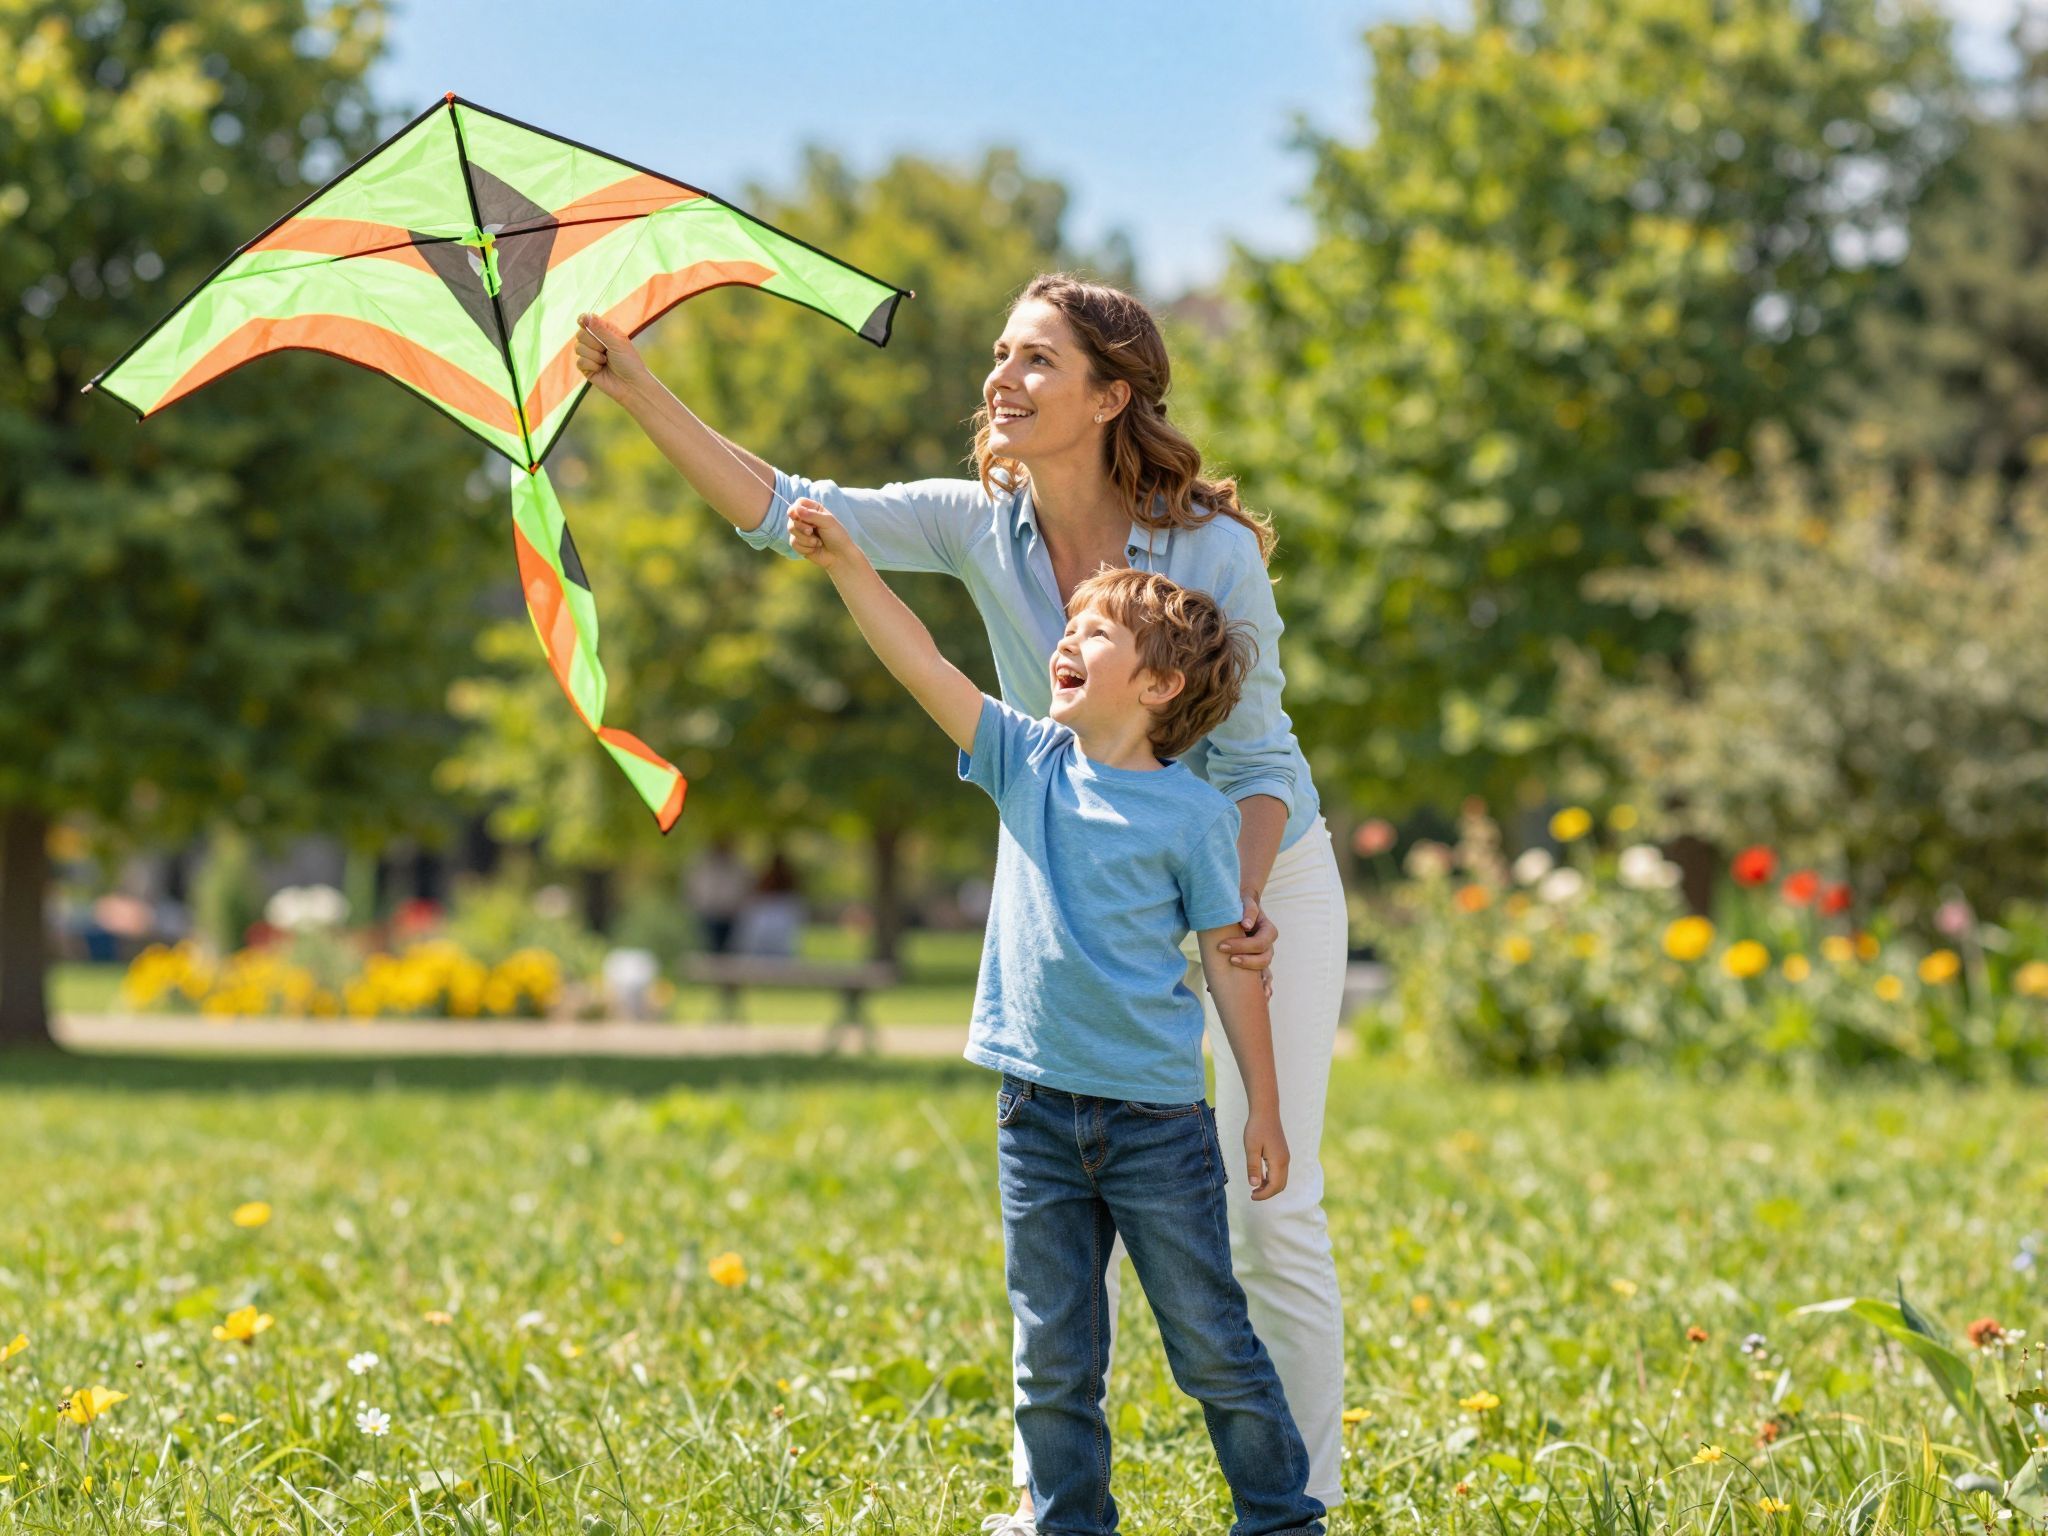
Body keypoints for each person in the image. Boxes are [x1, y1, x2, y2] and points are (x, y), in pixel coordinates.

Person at [574, 272, 1348, 1522]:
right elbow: (787, 512)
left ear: (1109, 396)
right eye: (999, 353)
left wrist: (1232, 912)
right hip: (1078, 849)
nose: (1000, 377)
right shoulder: (979, 524)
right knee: (1052, 1251)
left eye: (1036, 359)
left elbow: (1257, 766)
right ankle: (1051, 1509)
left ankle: (1299, 1501)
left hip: (1254, 870)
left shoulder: (1206, 555)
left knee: (1269, 1215)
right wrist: (637, 387)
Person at [791, 498, 1322, 1536]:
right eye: (1067, 630)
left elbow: (1229, 962)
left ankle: (1279, 1519)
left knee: (1208, 1342)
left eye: (1093, 635)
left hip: (1156, 1130)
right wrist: (852, 566)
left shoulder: (1198, 818)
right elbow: (922, 667)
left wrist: (1260, 1106)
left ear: (1159, 686)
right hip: (1032, 1115)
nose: (1064, 644)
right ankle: (1067, 1522)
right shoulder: (1024, 760)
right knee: (1051, 1353)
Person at [684, 836, 750, 955]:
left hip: (731, 914)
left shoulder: (736, 865)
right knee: (711, 947)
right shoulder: (703, 864)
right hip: (710, 913)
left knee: (729, 948)